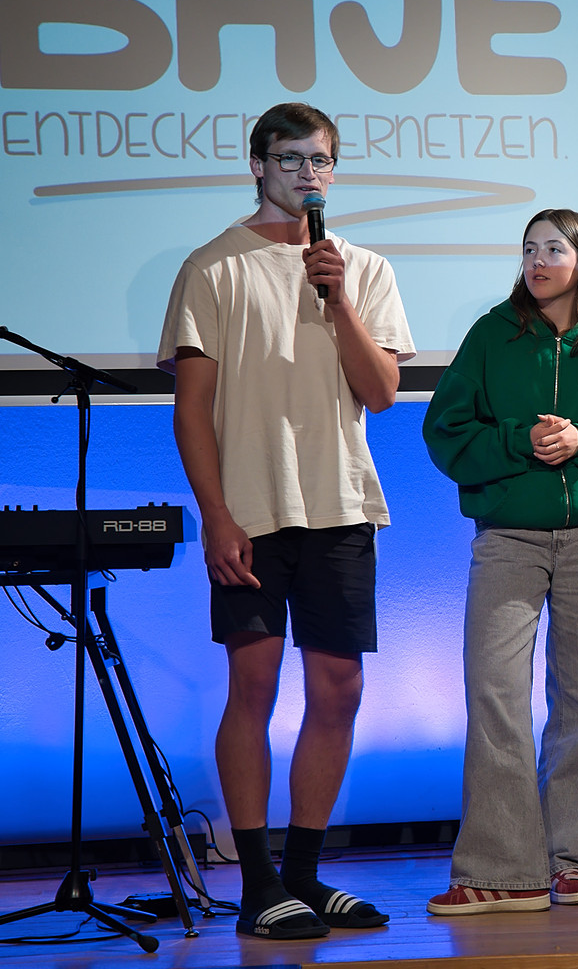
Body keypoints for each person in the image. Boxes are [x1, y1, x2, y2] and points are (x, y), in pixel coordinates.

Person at [159, 102, 413, 939]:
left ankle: (303, 873)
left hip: (339, 503)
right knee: (255, 686)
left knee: (339, 689)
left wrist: (337, 301)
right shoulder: (213, 267)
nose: (308, 173)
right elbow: (191, 410)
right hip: (252, 511)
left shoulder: (362, 268)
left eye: (321, 160)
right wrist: (216, 516)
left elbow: (381, 391)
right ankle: (258, 882)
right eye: (291, 158)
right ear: (258, 165)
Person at [421, 208, 578, 915]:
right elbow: (445, 433)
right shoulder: (492, 336)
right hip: (508, 537)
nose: (537, 261)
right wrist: (518, 439)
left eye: (553, 249)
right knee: (495, 694)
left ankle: (567, 862)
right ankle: (501, 869)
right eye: (529, 249)